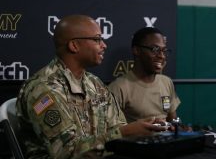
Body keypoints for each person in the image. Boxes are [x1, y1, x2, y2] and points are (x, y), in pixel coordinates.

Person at [16, 15, 167, 159]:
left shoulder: (94, 83)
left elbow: (117, 126)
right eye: (97, 39)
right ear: (74, 45)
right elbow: (65, 152)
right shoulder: (43, 88)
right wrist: (125, 133)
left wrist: (143, 129)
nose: (104, 45)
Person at [108, 27, 181, 124]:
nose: (162, 56)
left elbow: (173, 120)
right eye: (155, 49)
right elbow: (111, 131)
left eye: (164, 51)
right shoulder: (118, 88)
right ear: (136, 50)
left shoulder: (167, 82)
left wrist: (179, 128)